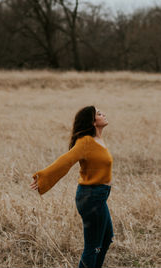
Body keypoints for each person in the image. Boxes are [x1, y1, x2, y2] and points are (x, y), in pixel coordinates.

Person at [30, 105, 114, 268]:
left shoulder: (97, 140)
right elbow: (65, 161)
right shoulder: (85, 142)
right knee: (93, 246)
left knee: (106, 238)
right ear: (92, 122)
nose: (103, 114)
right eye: (98, 113)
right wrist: (43, 176)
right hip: (91, 197)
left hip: (99, 196)